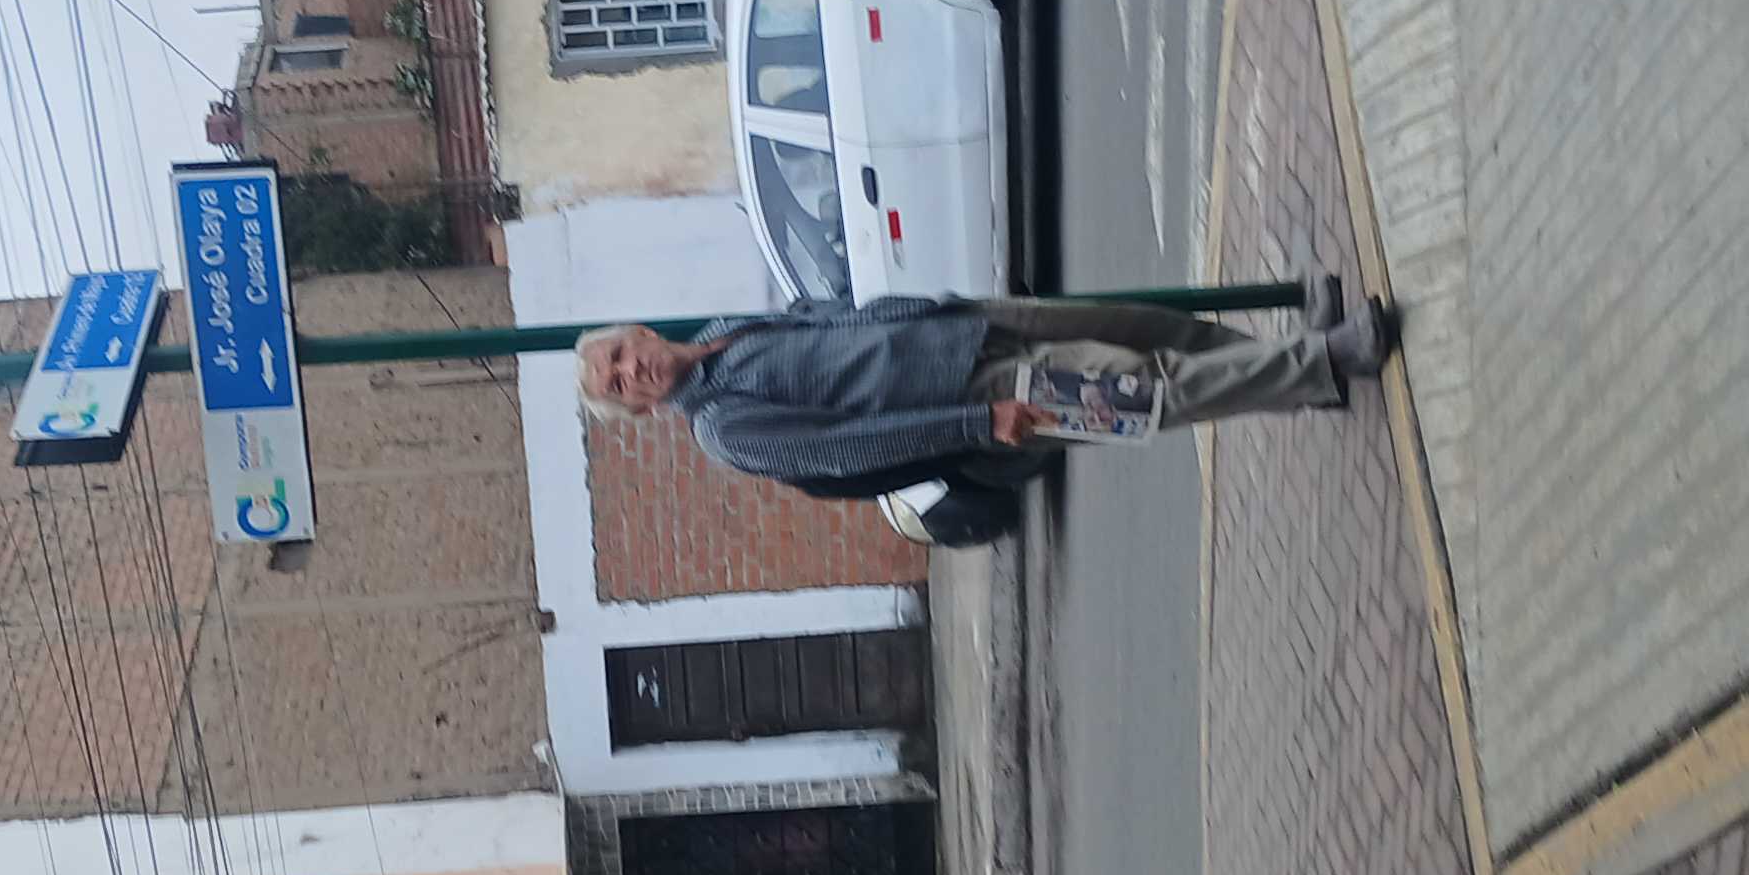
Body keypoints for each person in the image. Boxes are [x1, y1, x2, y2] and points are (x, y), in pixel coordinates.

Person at [575, 284, 1393, 499]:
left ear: (637, 331)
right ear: (642, 410)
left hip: (964, 326)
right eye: (619, 385)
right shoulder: (723, 427)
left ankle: (1296, 369)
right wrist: (975, 423)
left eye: (619, 355)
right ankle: (1326, 360)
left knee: (1150, 330)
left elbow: (832, 318)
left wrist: (936, 307)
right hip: (976, 394)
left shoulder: (724, 329)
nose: (629, 371)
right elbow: (848, 446)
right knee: (1145, 392)